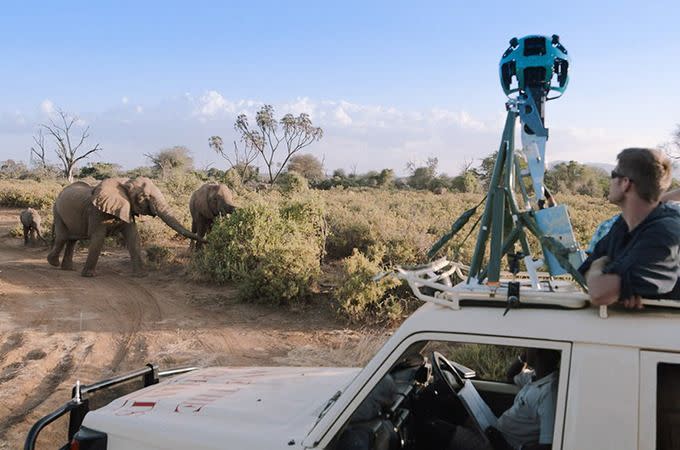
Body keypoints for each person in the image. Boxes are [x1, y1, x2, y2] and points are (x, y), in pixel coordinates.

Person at [579, 148, 680, 309]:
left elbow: (599, 292)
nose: (610, 181)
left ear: (625, 183)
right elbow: (584, 272)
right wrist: (611, 282)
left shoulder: (664, 234)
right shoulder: (623, 225)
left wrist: (600, 265)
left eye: (613, 174)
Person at [445, 348, 560, 450]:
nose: (525, 349)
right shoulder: (536, 376)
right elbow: (511, 375)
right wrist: (524, 357)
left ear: (538, 352)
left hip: (501, 444)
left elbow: (547, 445)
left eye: (529, 347)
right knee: (455, 409)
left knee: (438, 430)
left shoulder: (549, 393)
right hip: (495, 431)